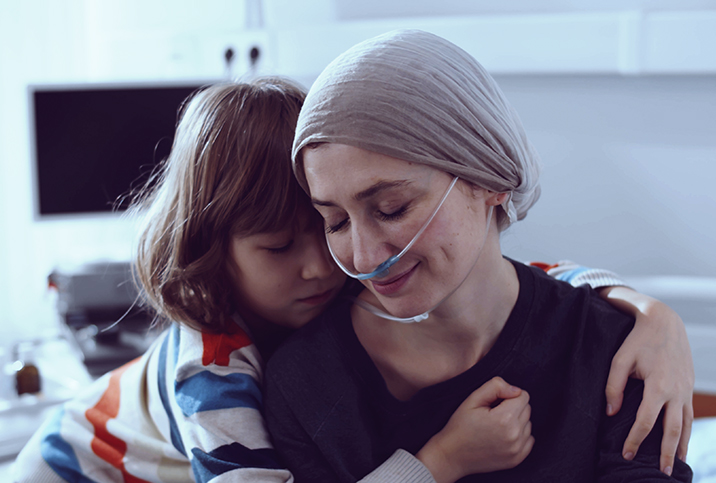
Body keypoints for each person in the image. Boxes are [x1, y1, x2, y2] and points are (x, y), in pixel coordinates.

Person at [12, 77, 689, 483]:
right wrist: (441, 461)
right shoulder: (211, 374)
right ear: (212, 251)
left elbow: (511, 276)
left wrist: (645, 312)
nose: (336, 260)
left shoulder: (332, 279)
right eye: (279, 246)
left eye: (327, 223)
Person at [263, 30, 694, 482]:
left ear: (489, 179)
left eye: (393, 208)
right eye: (336, 222)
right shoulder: (303, 384)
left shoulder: (622, 353)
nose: (365, 256)